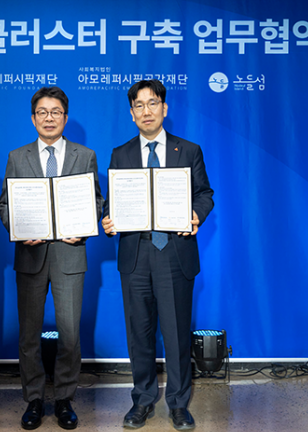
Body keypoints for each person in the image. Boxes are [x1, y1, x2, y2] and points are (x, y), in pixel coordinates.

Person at [101, 80, 214, 430]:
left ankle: (178, 404)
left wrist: (196, 214)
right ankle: (142, 400)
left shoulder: (188, 150)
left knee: (177, 333)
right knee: (139, 332)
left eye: (152, 103)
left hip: (174, 253)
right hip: (135, 253)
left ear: (164, 108)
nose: (146, 111)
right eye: (139, 105)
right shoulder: (120, 154)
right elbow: (112, 201)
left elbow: (205, 193)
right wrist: (108, 218)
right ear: (131, 113)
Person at [0, 87, 103, 430]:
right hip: (30, 254)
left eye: (55, 112)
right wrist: (18, 229)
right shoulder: (17, 157)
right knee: (29, 334)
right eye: (42, 112)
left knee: (69, 334)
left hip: (70, 254)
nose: (49, 118)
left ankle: (64, 399)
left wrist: (84, 229)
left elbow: (96, 201)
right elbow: (5, 204)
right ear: (33, 118)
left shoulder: (85, 155)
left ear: (65, 117)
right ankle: (33, 399)